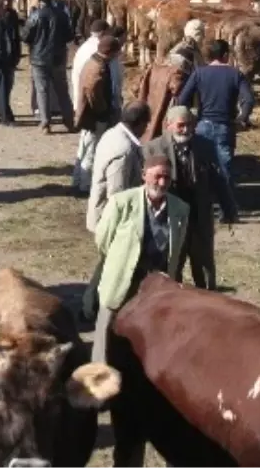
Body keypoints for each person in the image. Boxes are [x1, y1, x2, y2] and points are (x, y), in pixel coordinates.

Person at [91, 156, 188, 367]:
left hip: (157, 284)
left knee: (150, 333)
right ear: (144, 175)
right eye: (157, 176)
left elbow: (177, 250)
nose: (162, 183)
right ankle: (99, 378)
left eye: (167, 178)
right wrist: (121, 262)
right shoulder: (121, 202)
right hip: (122, 277)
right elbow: (103, 240)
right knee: (107, 332)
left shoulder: (180, 209)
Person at [144, 106, 238, 292]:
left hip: (199, 215)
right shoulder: (153, 149)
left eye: (189, 125)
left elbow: (218, 178)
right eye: (181, 126)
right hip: (170, 217)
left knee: (203, 265)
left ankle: (208, 301)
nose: (186, 130)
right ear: (168, 125)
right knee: (171, 264)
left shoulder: (205, 145)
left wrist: (229, 208)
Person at [177, 39, 254, 190]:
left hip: (202, 126)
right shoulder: (235, 74)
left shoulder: (199, 73)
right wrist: (242, 118)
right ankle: (227, 208)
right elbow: (249, 100)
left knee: (200, 169)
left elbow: (182, 99)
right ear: (226, 55)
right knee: (224, 171)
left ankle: (205, 205)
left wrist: (191, 119)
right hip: (225, 127)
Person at [86, 101, 150, 233]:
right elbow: (117, 194)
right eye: (146, 124)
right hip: (111, 223)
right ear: (140, 123)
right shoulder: (123, 150)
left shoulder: (112, 133)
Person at [22, 0, 74, 134]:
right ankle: (69, 120)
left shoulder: (35, 15)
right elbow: (70, 36)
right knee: (62, 90)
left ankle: (45, 123)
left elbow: (25, 36)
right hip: (58, 56)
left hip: (39, 58)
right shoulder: (61, 15)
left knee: (42, 90)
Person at [73, 35, 119, 193]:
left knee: (84, 149)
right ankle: (84, 186)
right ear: (110, 52)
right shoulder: (98, 68)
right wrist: (103, 111)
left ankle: (77, 180)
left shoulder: (93, 62)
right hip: (94, 117)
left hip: (88, 115)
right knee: (91, 152)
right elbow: (93, 93)